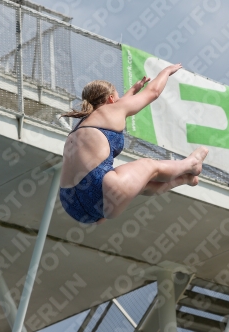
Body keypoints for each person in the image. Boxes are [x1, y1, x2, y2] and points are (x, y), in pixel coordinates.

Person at [59, 64, 209, 225]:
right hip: (101, 188)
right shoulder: (111, 111)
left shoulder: (79, 127)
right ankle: (191, 165)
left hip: (71, 203)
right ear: (110, 99)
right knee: (149, 166)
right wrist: (166, 72)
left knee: (142, 184)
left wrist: (132, 91)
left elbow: (119, 103)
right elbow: (153, 92)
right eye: (117, 98)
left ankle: (184, 179)